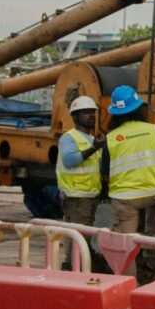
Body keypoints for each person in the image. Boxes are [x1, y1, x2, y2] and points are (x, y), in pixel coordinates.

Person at [101, 85, 155, 238]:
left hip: (125, 198)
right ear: (138, 108)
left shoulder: (111, 138)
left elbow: (106, 176)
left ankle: (129, 260)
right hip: (154, 193)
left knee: (126, 243)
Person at [55, 96, 104, 226]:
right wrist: (94, 148)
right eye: (86, 112)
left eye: (92, 112)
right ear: (75, 117)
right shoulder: (68, 138)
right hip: (76, 198)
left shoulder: (91, 138)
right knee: (77, 239)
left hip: (89, 196)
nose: (91, 115)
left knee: (84, 239)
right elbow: (69, 160)